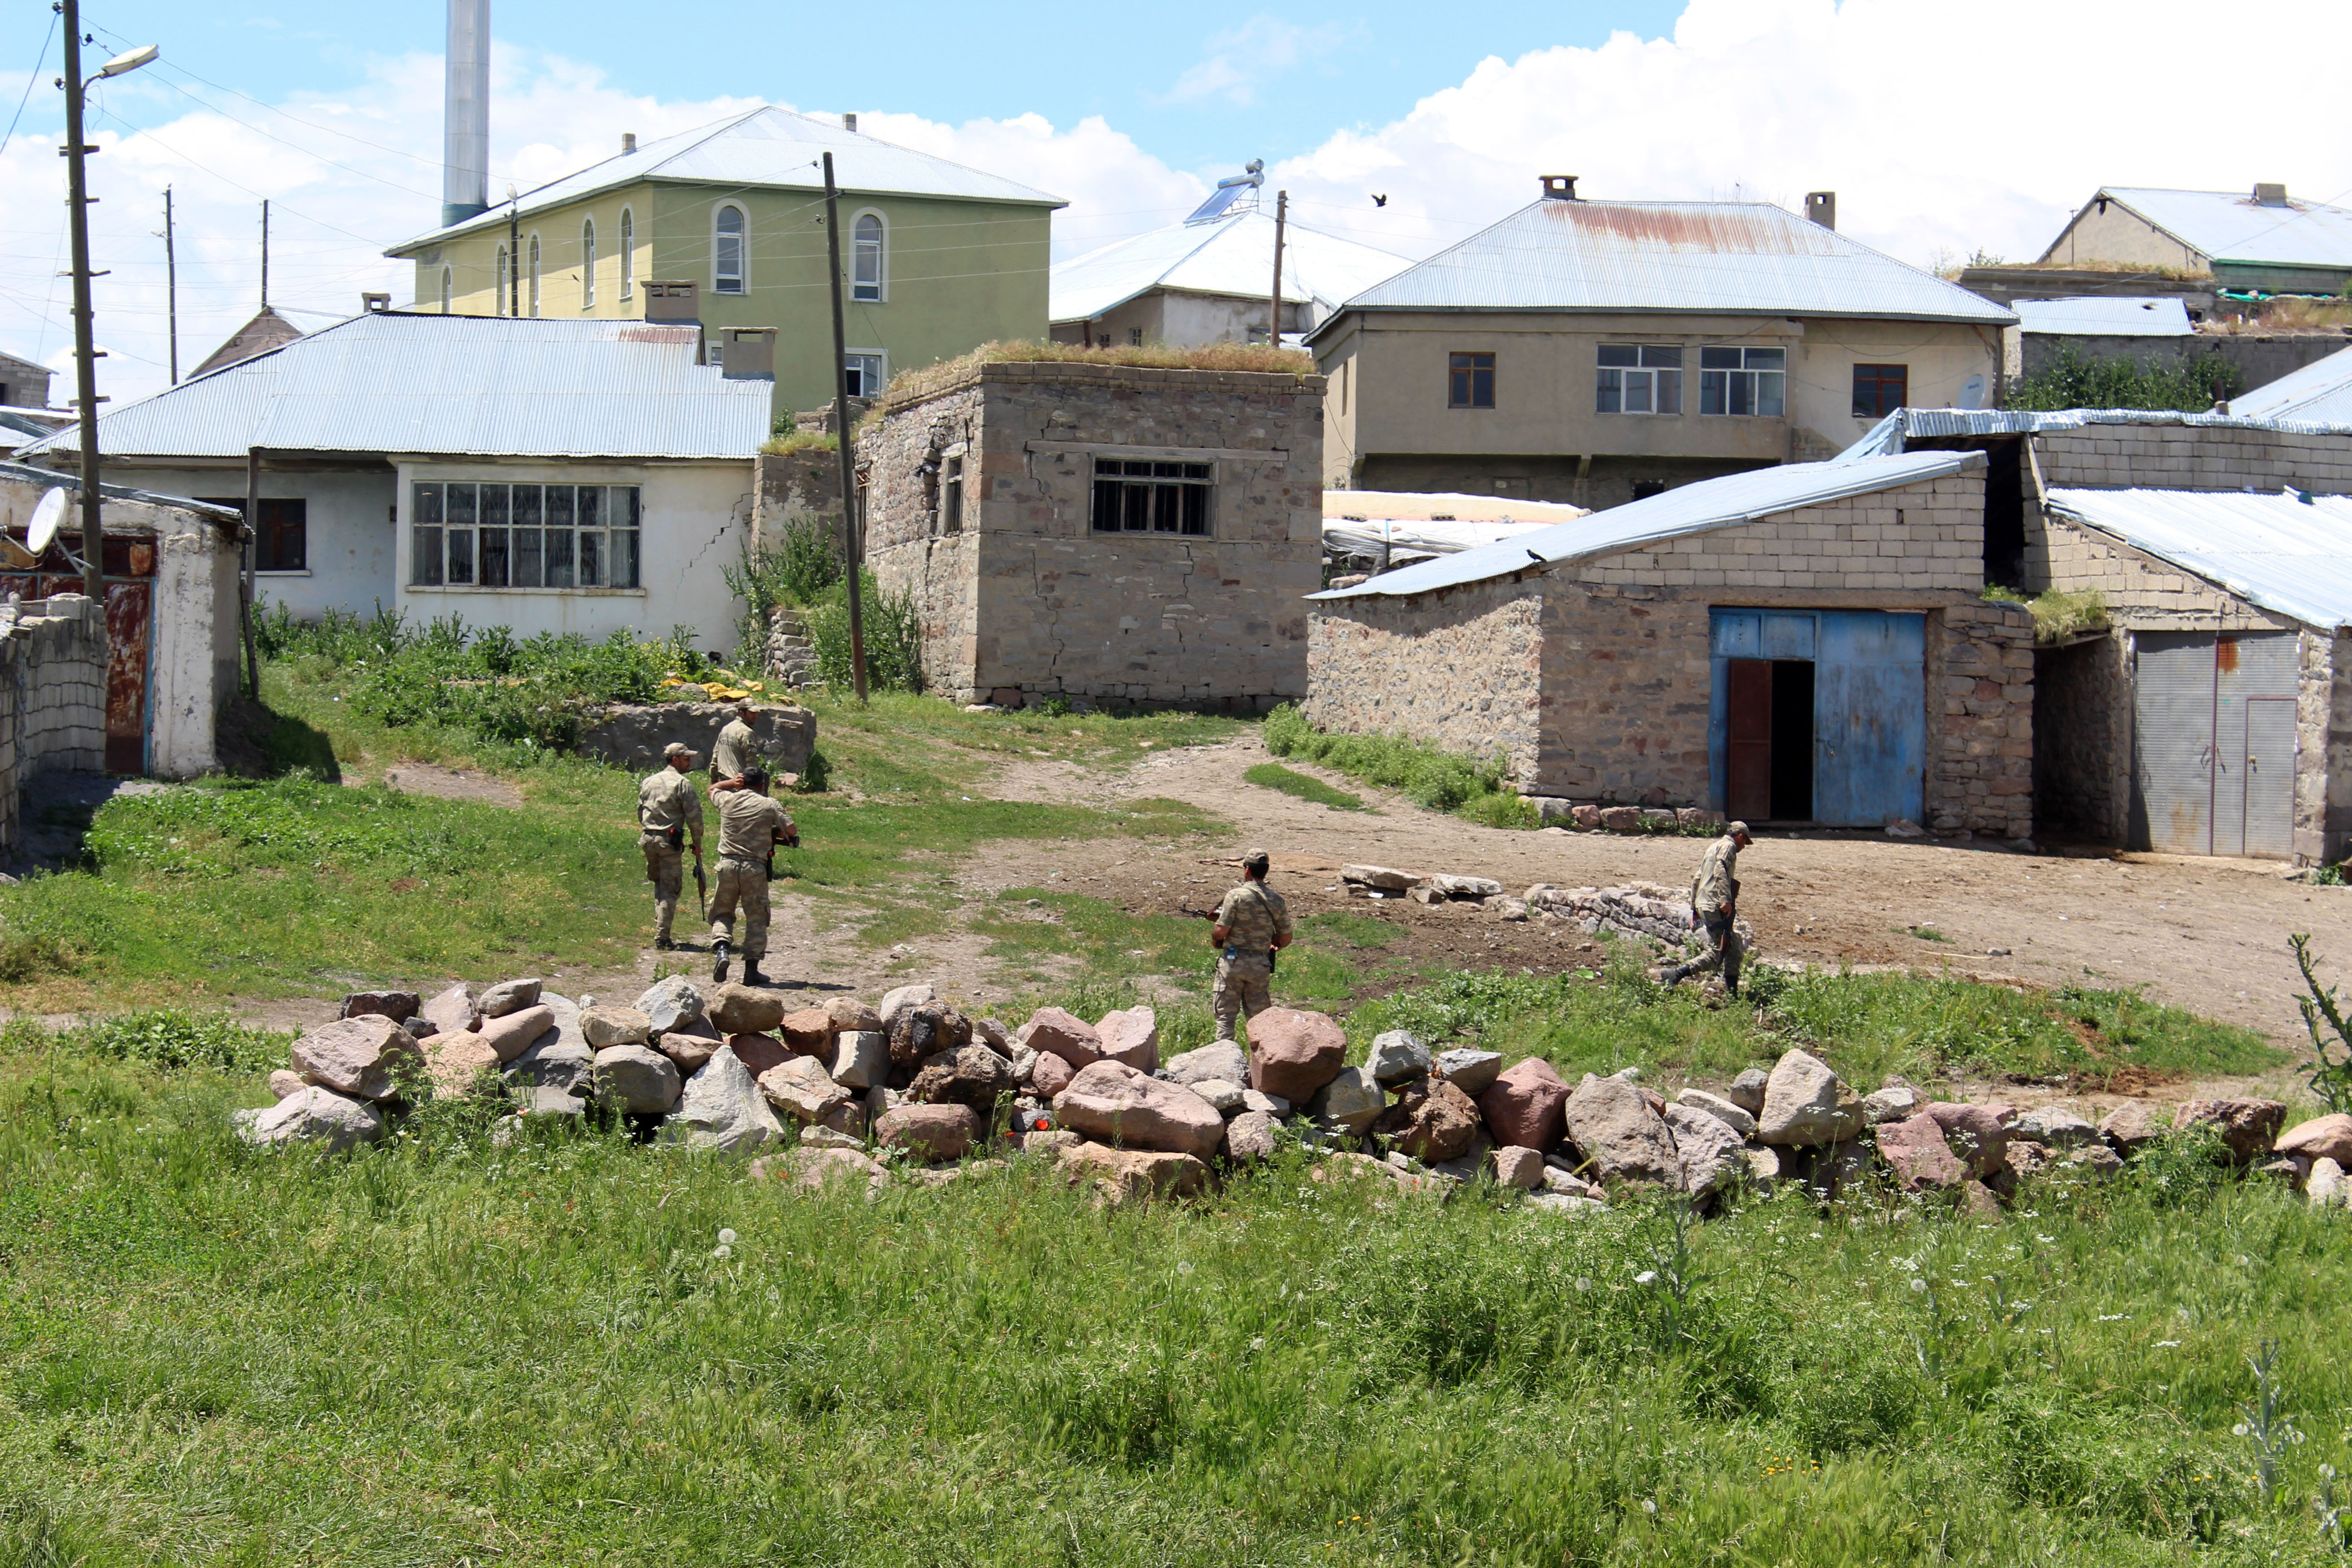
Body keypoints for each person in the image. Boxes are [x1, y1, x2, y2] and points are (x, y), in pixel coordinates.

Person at [708, 765, 798, 986]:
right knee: (756, 918)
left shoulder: (727, 800)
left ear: (742, 782)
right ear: (762, 785)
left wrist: (732, 784)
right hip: (754, 868)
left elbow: (712, 789)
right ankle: (751, 970)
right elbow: (792, 830)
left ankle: (722, 950)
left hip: (727, 865)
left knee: (722, 912)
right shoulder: (769, 804)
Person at [1660, 820, 1752, 997]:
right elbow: (1721, 870)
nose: (1744, 847)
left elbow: (1697, 878)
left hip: (1704, 903)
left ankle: (1732, 996)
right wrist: (1726, 899)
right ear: (1740, 836)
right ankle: (1678, 974)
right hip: (1714, 904)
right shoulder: (1728, 847)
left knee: (1731, 947)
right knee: (1722, 949)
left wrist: (1695, 908)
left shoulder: (1713, 847)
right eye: (1745, 842)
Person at [1209, 848, 1292, 1044]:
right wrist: (1272, 946)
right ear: (1266, 870)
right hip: (1260, 964)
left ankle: (1224, 1062)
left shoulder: (1236, 896)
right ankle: (1263, 1065)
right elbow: (1286, 937)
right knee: (1260, 1022)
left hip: (1232, 962)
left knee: (1225, 1020)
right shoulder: (1276, 900)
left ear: (1247, 869)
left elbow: (1221, 931)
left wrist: (1215, 940)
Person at [635, 742, 704, 951]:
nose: (689, 762)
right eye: (686, 758)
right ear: (675, 760)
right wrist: (697, 843)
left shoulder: (649, 781)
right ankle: (663, 937)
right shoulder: (682, 784)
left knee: (659, 883)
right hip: (668, 842)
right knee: (670, 888)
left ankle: (660, 926)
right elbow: (695, 817)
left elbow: (641, 810)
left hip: (648, 839)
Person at [710, 701, 759, 793]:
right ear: (742, 713)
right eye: (752, 713)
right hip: (738, 784)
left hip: (724, 782)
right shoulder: (746, 732)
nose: (755, 716)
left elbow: (715, 758)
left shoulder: (726, 729)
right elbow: (752, 764)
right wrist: (756, 786)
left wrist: (715, 782)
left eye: (756, 713)